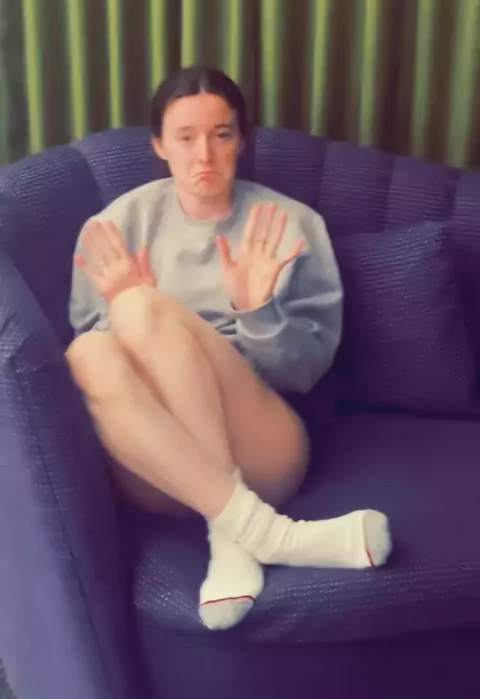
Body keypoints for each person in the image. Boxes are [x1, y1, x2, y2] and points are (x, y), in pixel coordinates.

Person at [67, 66, 391, 632]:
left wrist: (255, 311)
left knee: (140, 307)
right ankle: (260, 534)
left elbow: (304, 373)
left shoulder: (288, 224)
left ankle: (234, 533)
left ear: (242, 140)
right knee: (87, 352)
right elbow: (102, 386)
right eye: (186, 137)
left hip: (263, 447)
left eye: (221, 135)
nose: (205, 156)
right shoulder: (117, 226)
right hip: (162, 468)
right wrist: (122, 313)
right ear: (159, 145)